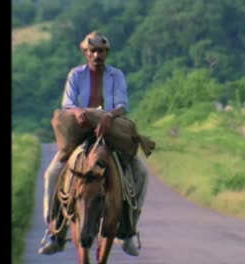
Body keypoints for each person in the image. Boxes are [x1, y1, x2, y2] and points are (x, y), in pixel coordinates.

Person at [38, 31, 148, 257]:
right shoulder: (75, 75)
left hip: (109, 131)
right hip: (80, 131)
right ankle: (54, 231)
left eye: (101, 50)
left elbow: (123, 104)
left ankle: (128, 231)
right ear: (86, 53)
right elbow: (67, 103)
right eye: (93, 51)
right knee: (52, 174)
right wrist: (78, 110)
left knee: (141, 172)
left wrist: (109, 116)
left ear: (106, 53)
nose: (97, 54)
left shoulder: (116, 75)